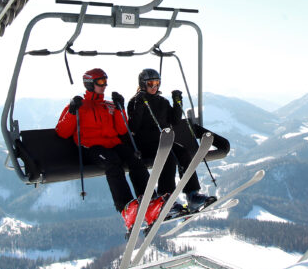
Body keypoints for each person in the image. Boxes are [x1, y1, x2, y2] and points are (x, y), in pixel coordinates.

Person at [55, 68, 164, 232]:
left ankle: (149, 200)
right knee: (112, 162)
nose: (104, 85)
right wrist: (71, 112)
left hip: (113, 144)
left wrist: (120, 109)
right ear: (90, 83)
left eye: (105, 81)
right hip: (91, 147)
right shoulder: (79, 106)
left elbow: (122, 130)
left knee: (135, 159)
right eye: (100, 82)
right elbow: (62, 132)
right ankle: (126, 207)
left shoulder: (109, 105)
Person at [127, 68, 216, 217]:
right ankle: (165, 198)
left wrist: (177, 103)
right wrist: (140, 105)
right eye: (150, 84)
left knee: (183, 153)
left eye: (157, 83)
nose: (154, 87)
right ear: (142, 84)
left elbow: (174, 121)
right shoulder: (135, 101)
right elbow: (133, 127)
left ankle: (192, 194)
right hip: (145, 143)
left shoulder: (162, 101)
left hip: (163, 141)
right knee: (168, 157)